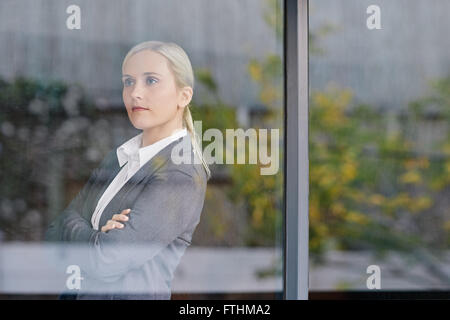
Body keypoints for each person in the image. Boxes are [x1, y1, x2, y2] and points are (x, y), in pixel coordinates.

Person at [44, 40, 210, 300]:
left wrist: (81, 231)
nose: (135, 93)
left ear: (184, 95)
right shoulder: (118, 158)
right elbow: (53, 233)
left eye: (151, 81)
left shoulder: (181, 173)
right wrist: (97, 237)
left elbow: (106, 260)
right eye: (128, 81)